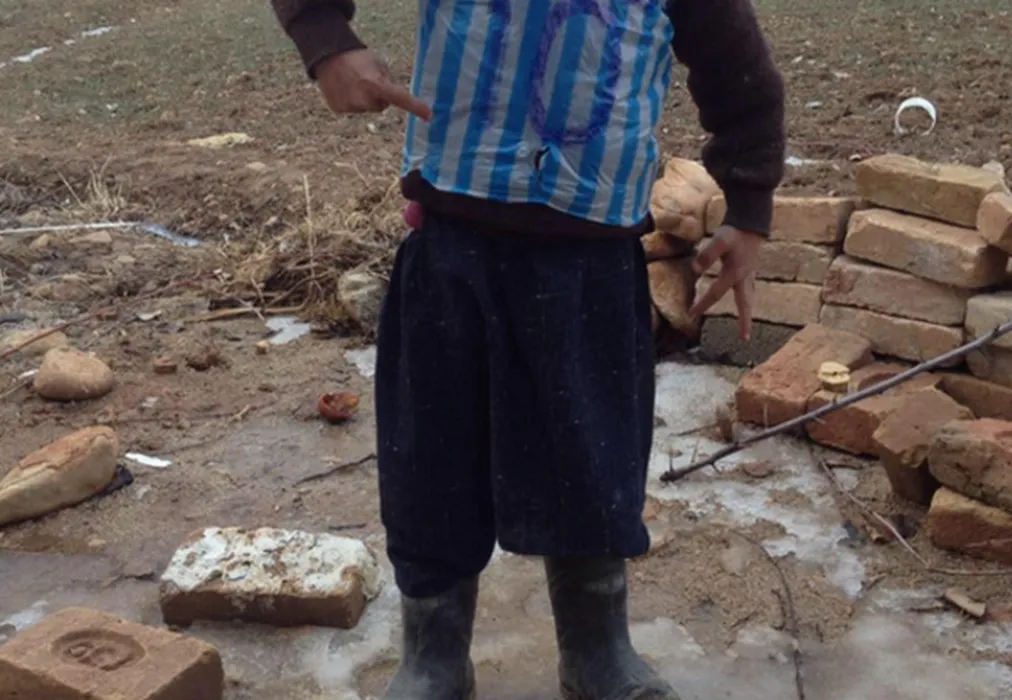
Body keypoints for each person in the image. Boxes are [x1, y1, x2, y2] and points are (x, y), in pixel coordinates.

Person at [270, 1, 785, 697]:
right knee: (432, 464)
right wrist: (326, 41)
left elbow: (738, 68)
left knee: (593, 461)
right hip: (452, 242)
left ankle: (598, 652)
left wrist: (749, 207)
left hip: (591, 261)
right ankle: (433, 656)